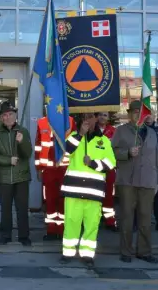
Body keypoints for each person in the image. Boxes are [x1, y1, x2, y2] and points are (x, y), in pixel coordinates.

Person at [60, 113, 116, 268]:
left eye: (90, 117)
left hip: (94, 191)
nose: (87, 120)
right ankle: (68, 252)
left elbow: (111, 163)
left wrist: (92, 163)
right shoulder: (73, 136)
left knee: (92, 224)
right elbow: (65, 152)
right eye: (84, 117)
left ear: (96, 119)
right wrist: (80, 135)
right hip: (73, 190)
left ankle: (87, 254)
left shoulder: (103, 140)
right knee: (71, 222)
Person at [112, 100, 158, 264]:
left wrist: (157, 182)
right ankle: (126, 251)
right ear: (129, 113)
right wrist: (126, 152)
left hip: (148, 181)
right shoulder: (120, 131)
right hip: (127, 181)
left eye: (141, 112)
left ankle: (144, 252)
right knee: (126, 217)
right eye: (134, 111)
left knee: (146, 218)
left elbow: (157, 159)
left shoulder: (152, 133)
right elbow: (112, 153)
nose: (137, 115)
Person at [0, 102, 33, 246]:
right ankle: (5, 235)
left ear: (15, 116)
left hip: (21, 176)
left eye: (10, 114)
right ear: (1, 118)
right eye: (5, 115)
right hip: (5, 177)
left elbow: (28, 154)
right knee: (5, 208)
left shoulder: (23, 131)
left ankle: (24, 236)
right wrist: (9, 160)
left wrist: (22, 143)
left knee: (22, 208)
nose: (8, 117)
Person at [35, 111, 76, 241]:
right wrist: (39, 168)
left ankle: (63, 230)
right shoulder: (41, 122)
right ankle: (52, 230)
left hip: (66, 168)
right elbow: (38, 146)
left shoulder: (70, 121)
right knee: (50, 201)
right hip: (48, 168)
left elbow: (75, 145)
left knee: (64, 201)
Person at [96, 112, 119, 231]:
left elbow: (117, 149)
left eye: (105, 115)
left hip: (109, 169)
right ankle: (95, 219)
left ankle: (110, 221)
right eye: (100, 115)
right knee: (95, 194)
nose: (102, 117)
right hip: (94, 169)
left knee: (109, 195)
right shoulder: (91, 130)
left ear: (109, 118)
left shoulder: (114, 131)